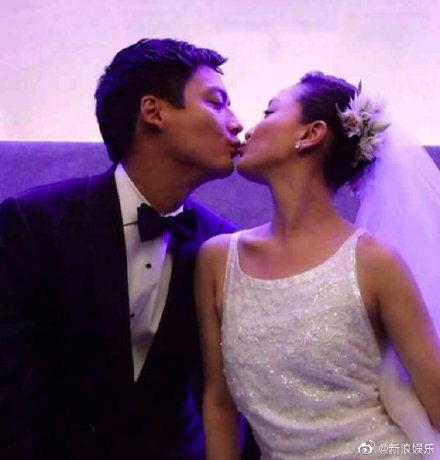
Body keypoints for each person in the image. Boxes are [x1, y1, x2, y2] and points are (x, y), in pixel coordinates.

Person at [0, 38, 258, 459]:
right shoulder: (32, 223)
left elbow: (223, 396)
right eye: (217, 103)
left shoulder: (220, 244)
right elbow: (11, 381)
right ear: (154, 111)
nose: (236, 124)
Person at [196, 71, 440, 459]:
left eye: (269, 112)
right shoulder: (218, 259)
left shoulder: (374, 262)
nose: (248, 129)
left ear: (310, 134)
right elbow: (219, 403)